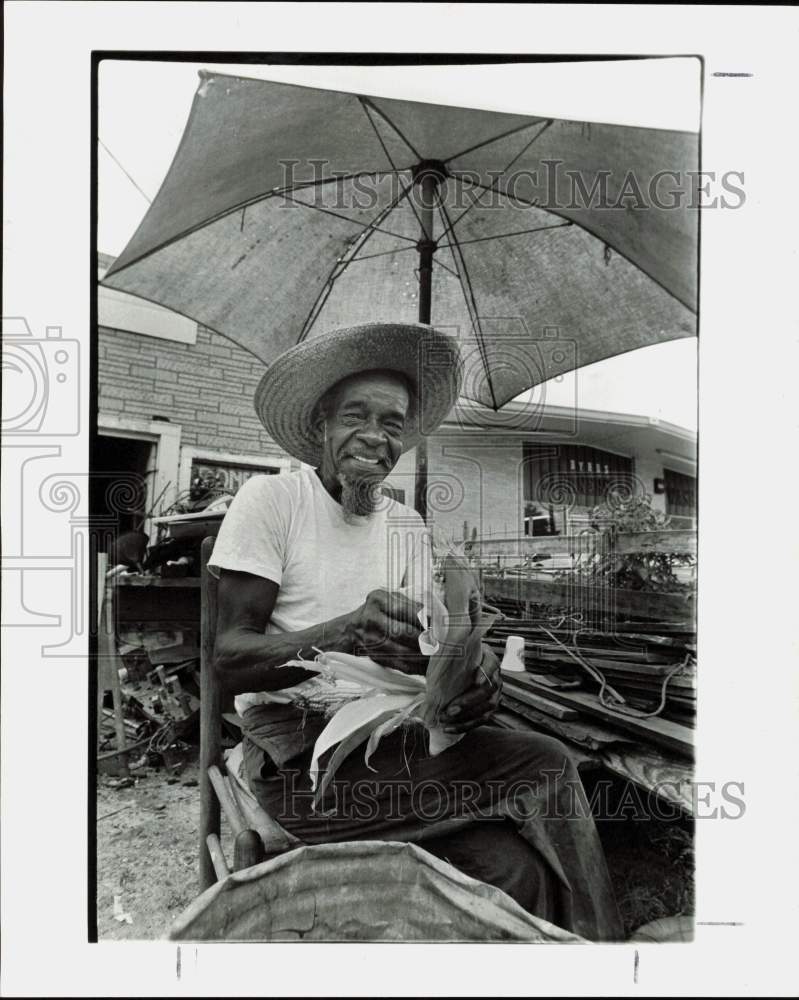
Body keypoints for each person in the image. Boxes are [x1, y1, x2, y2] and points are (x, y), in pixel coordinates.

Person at [209, 322, 622, 941]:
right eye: (357, 415)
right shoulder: (272, 502)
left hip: (395, 750)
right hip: (302, 771)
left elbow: (423, 661)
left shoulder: (406, 523)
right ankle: (606, 955)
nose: (375, 437)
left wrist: (467, 683)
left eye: (393, 423)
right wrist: (346, 632)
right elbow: (228, 658)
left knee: (519, 873)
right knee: (546, 762)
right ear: (321, 424)